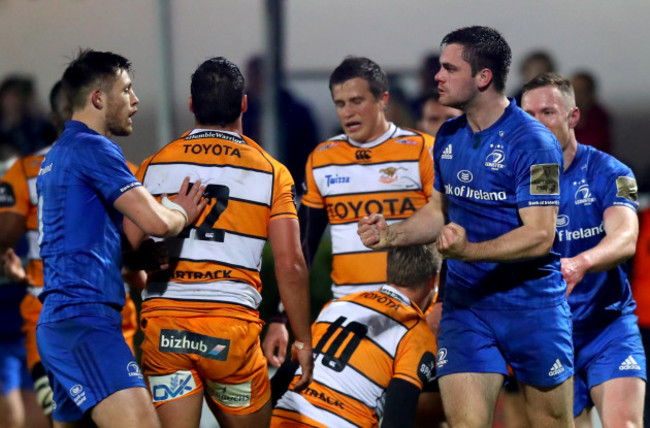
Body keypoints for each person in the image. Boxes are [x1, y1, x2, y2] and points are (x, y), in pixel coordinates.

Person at [358, 26, 574, 427]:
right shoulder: (449, 135)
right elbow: (439, 209)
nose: (437, 77)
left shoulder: (534, 143)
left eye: (448, 68)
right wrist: (391, 234)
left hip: (532, 308)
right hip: (467, 307)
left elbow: (541, 235)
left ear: (483, 78)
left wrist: (467, 250)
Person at [129, 56, 313, 428]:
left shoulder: (152, 166)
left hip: (166, 329)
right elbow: (291, 264)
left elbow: (126, 248)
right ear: (244, 103)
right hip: (229, 333)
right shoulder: (271, 172)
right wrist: (303, 341)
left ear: (192, 105)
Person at [35, 49, 207, 428]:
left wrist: (132, 259)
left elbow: (87, 239)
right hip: (85, 323)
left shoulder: (60, 154)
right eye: (126, 90)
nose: (135, 100)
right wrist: (181, 211)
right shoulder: (93, 148)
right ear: (99, 98)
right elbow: (158, 222)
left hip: (65, 321)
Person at [263, 55, 435, 366]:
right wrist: (280, 317)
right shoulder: (322, 159)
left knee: (424, 410)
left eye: (356, 101)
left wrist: (443, 304)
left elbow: (444, 228)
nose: (348, 112)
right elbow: (304, 246)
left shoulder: (423, 150)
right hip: (350, 313)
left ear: (383, 99)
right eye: (340, 103)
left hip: (415, 310)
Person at [0, 80, 143, 419]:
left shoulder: (26, 171)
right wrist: (176, 215)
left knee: (67, 417)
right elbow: (142, 248)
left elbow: (4, 235)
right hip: (103, 320)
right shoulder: (129, 171)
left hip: (52, 317)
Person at [522, 72, 645, 427]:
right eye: (527, 116)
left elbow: (625, 237)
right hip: (547, 332)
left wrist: (581, 263)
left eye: (546, 112)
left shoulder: (609, 171)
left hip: (608, 326)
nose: (536, 124)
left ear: (572, 117)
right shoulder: (513, 182)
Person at [271, 244, 440, 428]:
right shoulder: (417, 333)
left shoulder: (336, 306)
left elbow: (283, 378)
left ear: (388, 270)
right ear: (434, 280)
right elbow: (398, 419)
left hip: (283, 420)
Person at [571, 71, 612, 154]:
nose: (576, 97)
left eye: (581, 92)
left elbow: (596, 147)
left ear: (591, 94)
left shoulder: (599, 117)